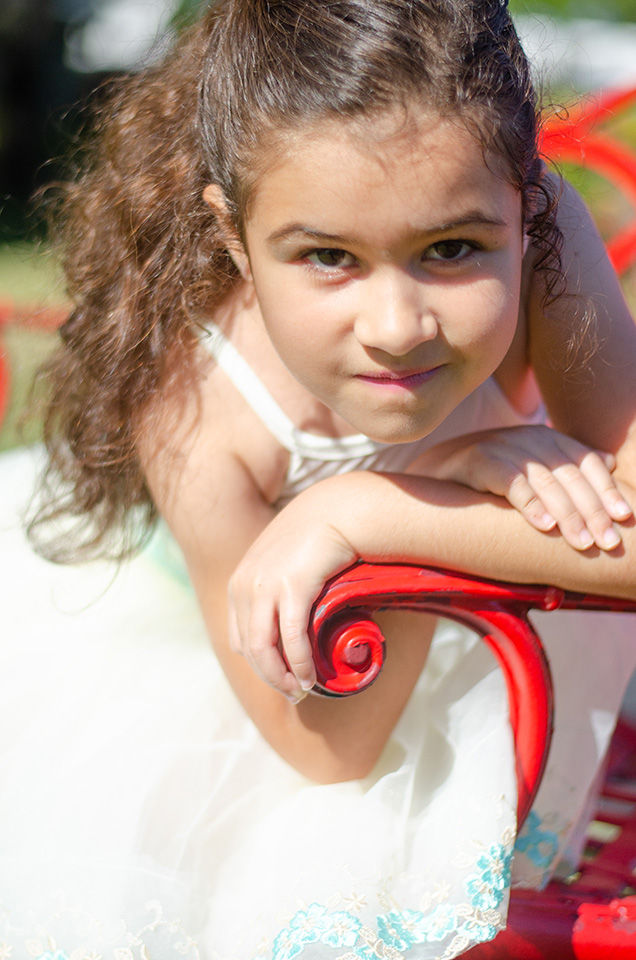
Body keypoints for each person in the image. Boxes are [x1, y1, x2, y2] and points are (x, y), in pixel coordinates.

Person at [1, 0, 636, 957]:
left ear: (526, 201)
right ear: (232, 239)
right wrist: (427, 483)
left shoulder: (546, 229)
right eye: (328, 257)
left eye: (454, 249)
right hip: (267, 669)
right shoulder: (196, 420)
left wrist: (368, 505)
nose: (396, 325)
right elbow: (328, 750)